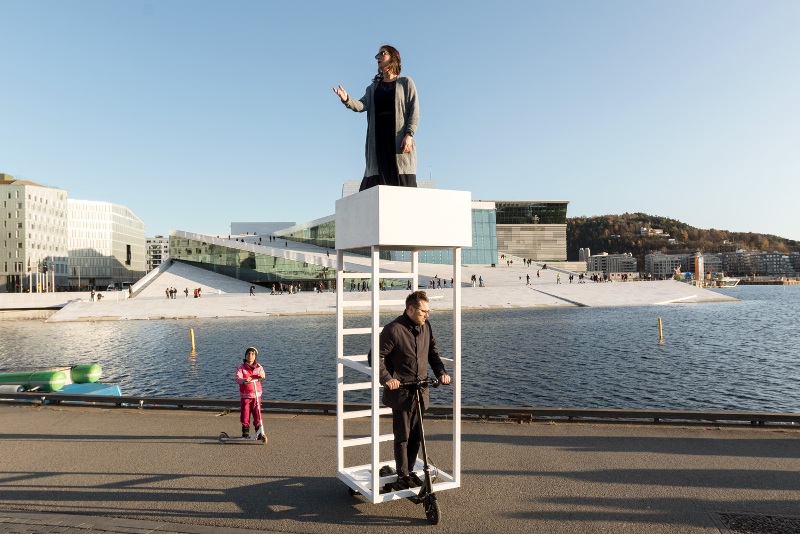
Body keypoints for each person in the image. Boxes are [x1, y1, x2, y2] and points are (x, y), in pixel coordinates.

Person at [378, 291, 451, 489]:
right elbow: (375, 356)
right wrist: (387, 379)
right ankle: (402, 475)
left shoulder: (426, 326)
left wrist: (441, 373)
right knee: (403, 436)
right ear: (410, 309)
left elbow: (433, 354)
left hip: (420, 390)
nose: (427, 315)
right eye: (423, 311)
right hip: (401, 392)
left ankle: (409, 471)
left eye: (428, 311)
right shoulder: (393, 329)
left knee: (417, 435)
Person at [333, 45, 420, 191]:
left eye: (382, 53)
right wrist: (347, 99)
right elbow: (361, 105)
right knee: (376, 187)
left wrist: (409, 134)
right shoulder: (373, 88)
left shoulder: (406, 83)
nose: (378, 57)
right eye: (377, 55)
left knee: (403, 187)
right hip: (378, 140)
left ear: (393, 57)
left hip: (398, 139)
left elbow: (414, 110)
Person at [235, 346, 266, 439]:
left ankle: (258, 430)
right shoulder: (241, 367)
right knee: (245, 412)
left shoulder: (259, 367)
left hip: (256, 394)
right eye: (248, 354)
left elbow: (263, 375)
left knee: (257, 412)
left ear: (255, 356)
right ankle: (245, 429)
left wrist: (261, 376)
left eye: (252, 354)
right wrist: (245, 380)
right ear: (245, 355)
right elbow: (238, 378)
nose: (250, 356)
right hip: (246, 394)